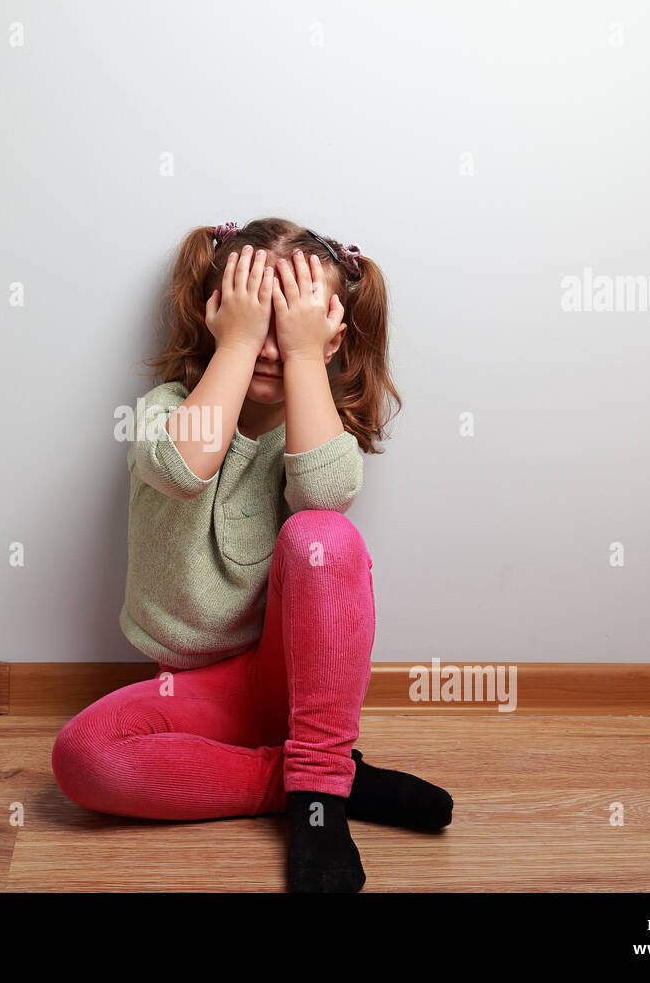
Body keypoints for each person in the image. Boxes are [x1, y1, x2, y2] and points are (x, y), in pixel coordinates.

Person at [52, 217, 453, 892]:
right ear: (217, 313)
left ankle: (320, 790)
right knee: (82, 758)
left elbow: (327, 494)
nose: (269, 343)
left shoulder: (316, 432)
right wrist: (236, 345)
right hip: (194, 695)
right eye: (251, 318)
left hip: (300, 691)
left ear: (329, 332)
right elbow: (185, 469)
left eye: (289, 322)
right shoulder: (167, 411)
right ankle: (312, 783)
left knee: (323, 537)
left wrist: (304, 358)